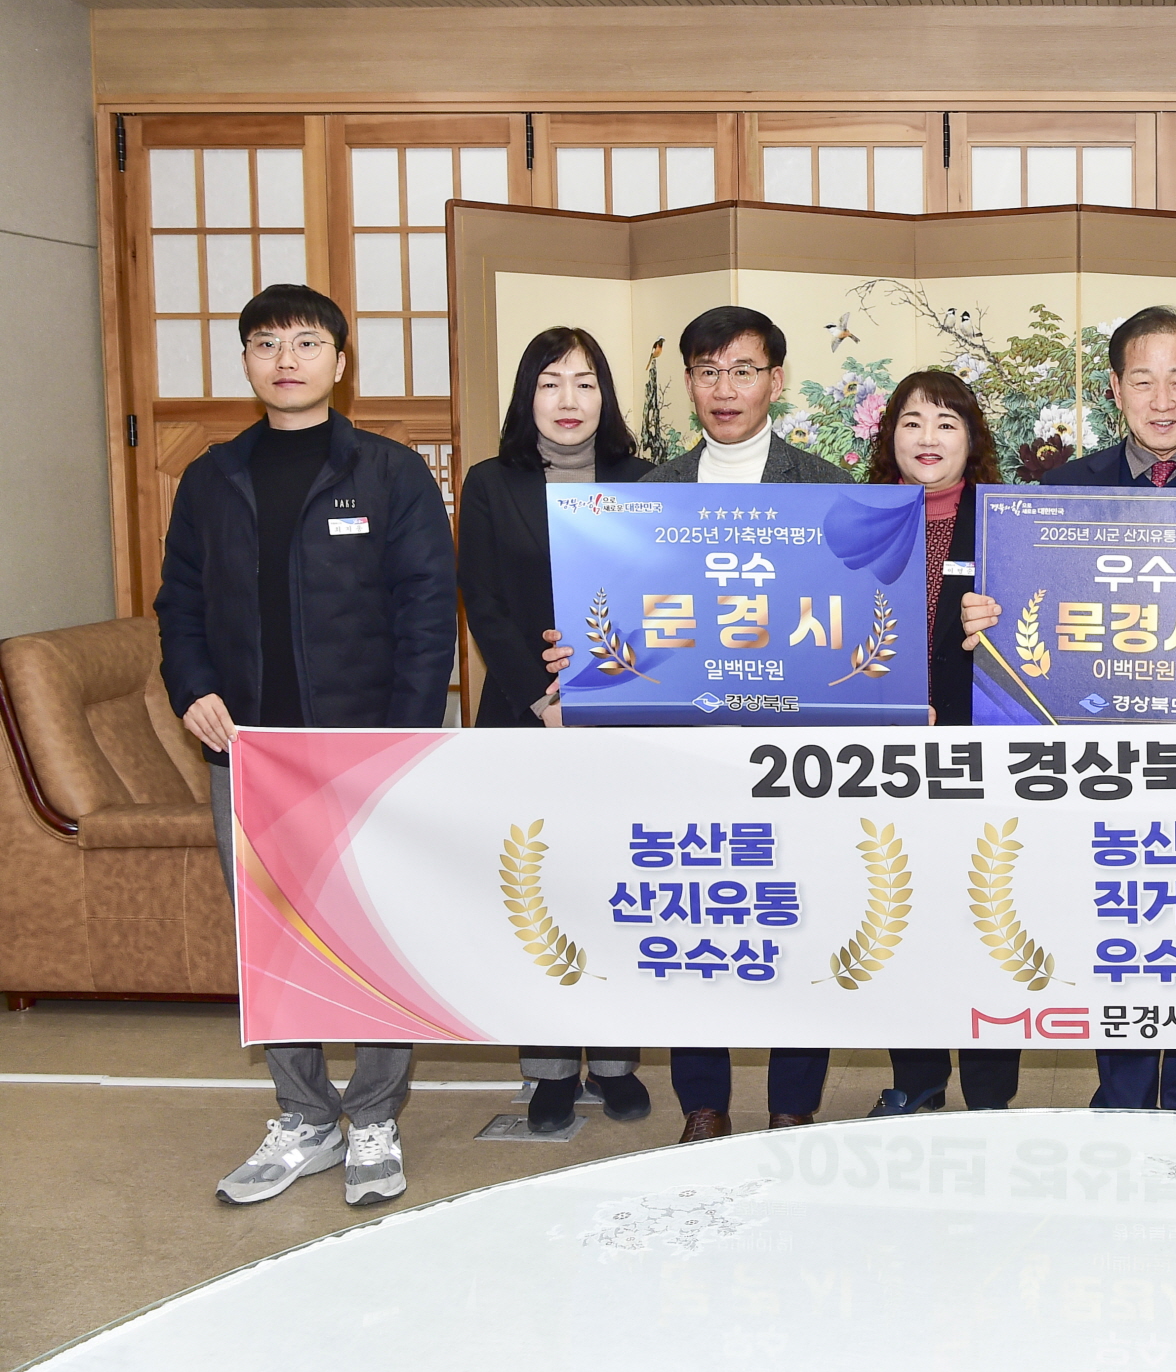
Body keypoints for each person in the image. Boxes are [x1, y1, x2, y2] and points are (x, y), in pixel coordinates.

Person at [961, 306, 1176, 1115]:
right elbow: (1035, 611)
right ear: (1114, 389)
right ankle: (1121, 1096)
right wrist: (988, 618)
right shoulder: (1063, 488)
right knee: (1120, 910)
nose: (1162, 401)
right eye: (1143, 381)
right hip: (1101, 754)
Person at [155, 284, 456, 1206]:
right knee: (270, 933)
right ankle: (304, 1113)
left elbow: (425, 611)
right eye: (266, 343)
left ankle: (374, 1113)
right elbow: (179, 602)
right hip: (247, 750)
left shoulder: (389, 473)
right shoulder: (211, 478)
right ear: (246, 360)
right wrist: (192, 690)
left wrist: (402, 739)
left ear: (339, 360)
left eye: (306, 342)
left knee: (371, 927)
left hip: (362, 748)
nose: (285, 359)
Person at [542, 304, 850, 1143]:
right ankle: (703, 1104)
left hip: (791, 753)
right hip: (681, 754)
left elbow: (850, 620)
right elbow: (621, 618)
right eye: (708, 371)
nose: (726, 388)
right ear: (687, 382)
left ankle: (793, 1104)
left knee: (797, 916)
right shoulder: (647, 495)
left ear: (775, 380)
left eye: (743, 370)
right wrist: (578, 654)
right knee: (693, 918)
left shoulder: (828, 490)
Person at [457, 325, 655, 1134]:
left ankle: (614, 1060)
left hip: (624, 716)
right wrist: (542, 697)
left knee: (612, 885)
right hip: (522, 714)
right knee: (535, 890)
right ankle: (546, 1067)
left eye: (584, 381)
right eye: (549, 382)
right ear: (526, 395)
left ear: (604, 394)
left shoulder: (646, 480)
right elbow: (482, 600)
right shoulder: (489, 482)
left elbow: (664, 597)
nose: (568, 399)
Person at [860, 370, 1022, 1117]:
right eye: (913, 422)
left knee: (986, 920)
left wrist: (1006, 628)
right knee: (903, 918)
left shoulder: (1006, 522)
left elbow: (1047, 641)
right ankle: (917, 1080)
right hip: (881, 761)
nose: (928, 438)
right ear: (889, 434)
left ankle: (990, 1095)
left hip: (980, 759)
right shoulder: (854, 519)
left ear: (971, 438)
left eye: (947, 423)